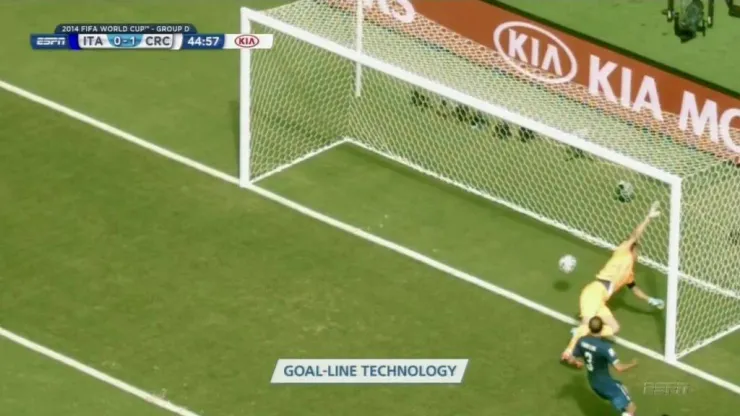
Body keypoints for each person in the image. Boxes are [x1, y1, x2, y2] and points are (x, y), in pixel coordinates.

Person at [562, 201, 664, 361]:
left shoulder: (629, 273)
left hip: (601, 299)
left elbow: (634, 288)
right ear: (632, 249)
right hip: (594, 292)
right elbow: (635, 235)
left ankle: (583, 331)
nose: (638, 254)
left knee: (614, 328)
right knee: (587, 322)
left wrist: (649, 299)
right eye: (637, 250)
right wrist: (648, 218)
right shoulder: (623, 251)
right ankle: (568, 352)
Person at [564, 316, 639, 416]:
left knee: (623, 390)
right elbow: (619, 368)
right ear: (602, 328)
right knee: (631, 407)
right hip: (606, 384)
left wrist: (576, 363)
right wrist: (633, 364)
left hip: (593, 383)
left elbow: (570, 358)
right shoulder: (605, 347)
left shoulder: (582, 341)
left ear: (589, 327)